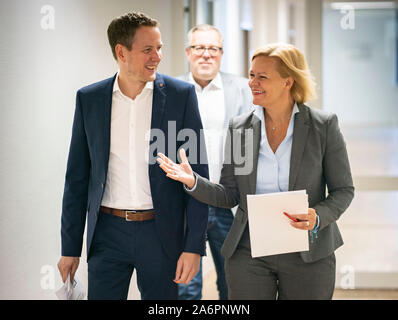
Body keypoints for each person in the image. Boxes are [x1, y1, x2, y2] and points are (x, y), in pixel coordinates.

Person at [157, 43, 355, 300]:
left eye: (262, 76)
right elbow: (229, 195)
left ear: (288, 81)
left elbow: (343, 190)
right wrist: (193, 181)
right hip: (248, 252)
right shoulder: (240, 128)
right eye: (251, 75)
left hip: (308, 252)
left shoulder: (322, 126)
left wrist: (318, 216)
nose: (252, 82)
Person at [57, 12, 209, 300]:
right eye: (148, 50)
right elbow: (77, 179)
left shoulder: (181, 96)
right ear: (121, 52)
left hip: (161, 233)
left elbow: (199, 176)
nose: (158, 56)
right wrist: (70, 249)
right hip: (106, 235)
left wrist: (193, 246)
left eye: (159, 48)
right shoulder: (89, 99)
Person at [177, 24, 252, 300]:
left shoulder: (243, 89)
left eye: (213, 48)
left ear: (221, 53)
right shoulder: (169, 89)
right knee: (186, 287)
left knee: (233, 284)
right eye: (199, 48)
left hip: (227, 202)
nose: (206, 55)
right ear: (188, 52)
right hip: (186, 202)